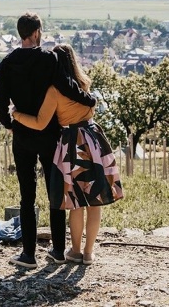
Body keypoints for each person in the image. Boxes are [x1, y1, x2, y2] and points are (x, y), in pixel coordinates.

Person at [0, 13, 97, 269]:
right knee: (55, 193)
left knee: (26, 195)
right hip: (50, 135)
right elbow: (66, 86)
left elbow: (0, 104)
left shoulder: (7, 63)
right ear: (37, 32)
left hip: (22, 136)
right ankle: (59, 250)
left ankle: (28, 254)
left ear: (21, 33)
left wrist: (12, 124)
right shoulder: (49, 58)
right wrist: (89, 99)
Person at [11, 44, 123, 265]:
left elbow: (40, 122)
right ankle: (89, 253)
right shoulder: (84, 84)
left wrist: (17, 115)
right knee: (95, 200)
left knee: (76, 201)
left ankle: (75, 250)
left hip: (73, 144)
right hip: (93, 139)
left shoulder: (54, 90)